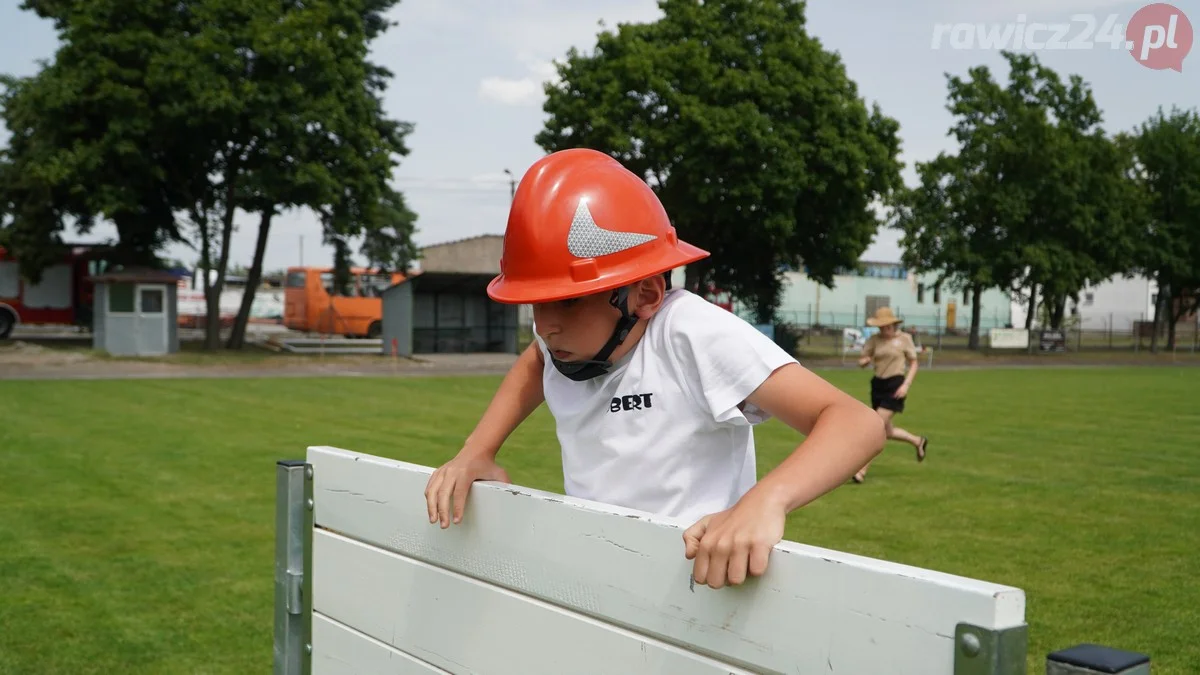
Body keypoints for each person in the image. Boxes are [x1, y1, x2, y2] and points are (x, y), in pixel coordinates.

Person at [423, 148, 886, 589]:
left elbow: (855, 423)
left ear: (644, 295)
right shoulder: (564, 344)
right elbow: (533, 362)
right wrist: (477, 450)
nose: (545, 326)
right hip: (600, 579)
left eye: (566, 301)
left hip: (697, 583)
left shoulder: (686, 332)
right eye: (535, 304)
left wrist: (765, 501)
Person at [852, 306, 929, 483]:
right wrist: (864, 361)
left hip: (896, 385)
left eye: (886, 326)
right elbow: (863, 359)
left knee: (876, 427)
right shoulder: (874, 340)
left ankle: (861, 470)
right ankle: (918, 441)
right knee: (887, 430)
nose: (883, 330)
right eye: (880, 327)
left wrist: (906, 385)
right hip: (878, 385)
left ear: (893, 325)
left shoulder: (904, 339)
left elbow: (914, 363)